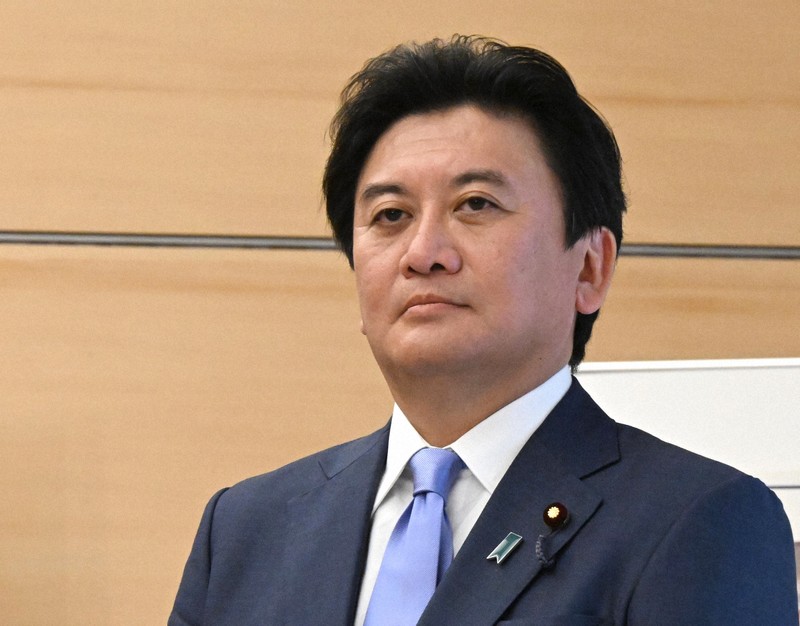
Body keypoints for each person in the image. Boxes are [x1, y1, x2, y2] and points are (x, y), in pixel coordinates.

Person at [169, 36, 798, 625]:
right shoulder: (246, 531)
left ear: (589, 267)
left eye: (476, 205)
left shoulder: (700, 522)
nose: (424, 253)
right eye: (390, 215)